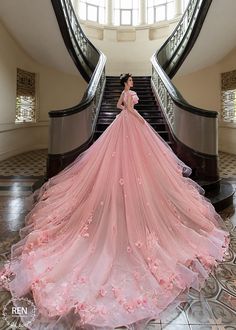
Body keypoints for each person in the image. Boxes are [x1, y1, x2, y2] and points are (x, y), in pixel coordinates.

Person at [0, 73, 230, 330]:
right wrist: (140, 119)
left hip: (122, 125)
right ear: (127, 83)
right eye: (130, 81)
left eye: (131, 82)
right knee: (128, 163)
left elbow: (121, 108)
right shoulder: (129, 95)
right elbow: (128, 109)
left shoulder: (123, 95)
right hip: (129, 125)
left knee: (129, 163)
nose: (132, 84)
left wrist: (130, 113)